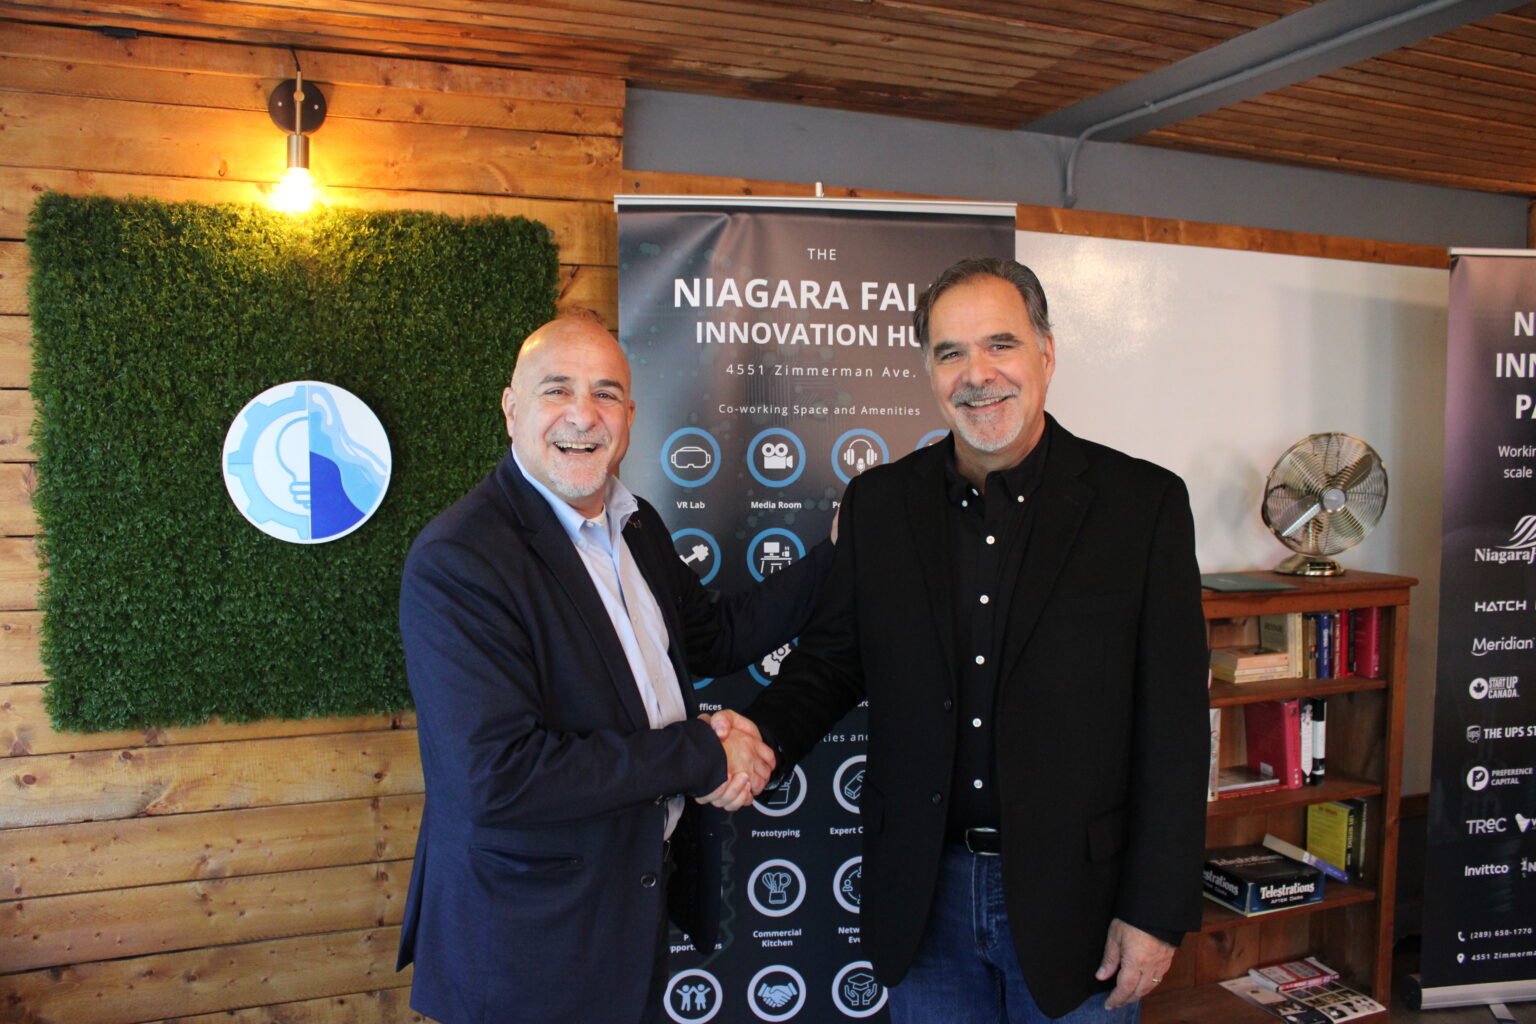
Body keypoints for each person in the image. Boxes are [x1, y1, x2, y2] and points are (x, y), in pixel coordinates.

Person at [714, 257, 1209, 1023]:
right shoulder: (880, 504)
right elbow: (834, 662)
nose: (977, 374)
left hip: (1080, 900)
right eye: (950, 353)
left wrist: (1155, 909)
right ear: (929, 370)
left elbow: (1175, 728)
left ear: (1046, 352)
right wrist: (762, 735)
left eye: (1000, 345)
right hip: (924, 892)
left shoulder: (1141, 506)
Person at [396, 312, 832, 1024]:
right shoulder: (461, 559)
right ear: (511, 408)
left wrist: (838, 559)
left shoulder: (636, 524)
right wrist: (704, 751)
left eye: (605, 393)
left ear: (629, 415)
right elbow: (499, 777)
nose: (582, 415)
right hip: (526, 943)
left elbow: (714, 635)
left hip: (626, 909)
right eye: (556, 390)